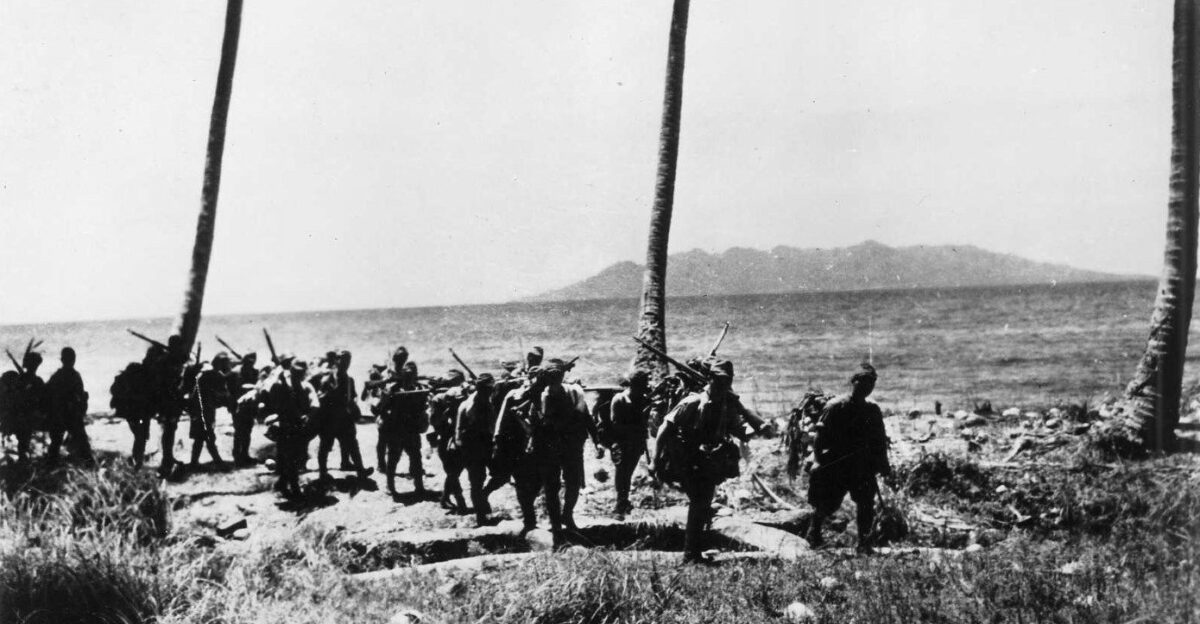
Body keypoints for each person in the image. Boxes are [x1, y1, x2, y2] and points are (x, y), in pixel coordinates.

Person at [653, 359, 761, 564]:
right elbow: (664, 428)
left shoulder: (726, 404)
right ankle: (690, 554)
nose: (723, 384)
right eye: (719, 379)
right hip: (689, 459)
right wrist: (655, 461)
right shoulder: (693, 402)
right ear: (710, 379)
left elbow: (738, 430)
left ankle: (694, 551)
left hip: (710, 461)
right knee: (699, 503)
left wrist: (757, 428)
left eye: (727, 380)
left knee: (702, 504)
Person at [805, 363, 891, 553]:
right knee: (827, 503)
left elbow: (879, 440)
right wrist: (818, 461)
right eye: (863, 381)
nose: (867, 386)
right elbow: (820, 436)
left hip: (863, 465)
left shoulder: (873, 409)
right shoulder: (835, 406)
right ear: (854, 381)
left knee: (866, 504)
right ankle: (813, 535)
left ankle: (864, 543)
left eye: (871, 383)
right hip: (837, 463)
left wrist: (884, 465)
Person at [541, 358, 600, 531]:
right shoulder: (543, 396)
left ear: (562, 376)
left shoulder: (574, 393)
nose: (555, 380)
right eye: (552, 377)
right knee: (552, 485)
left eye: (558, 376)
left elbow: (586, 417)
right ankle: (555, 522)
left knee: (574, 482)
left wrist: (597, 441)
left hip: (572, 445)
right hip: (551, 446)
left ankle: (567, 515)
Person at [312, 350, 372, 481]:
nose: (345, 363)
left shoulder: (350, 380)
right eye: (342, 360)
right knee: (325, 447)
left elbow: (352, 398)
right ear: (336, 360)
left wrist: (354, 411)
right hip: (329, 419)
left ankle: (360, 470)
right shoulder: (327, 379)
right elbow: (319, 398)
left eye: (348, 360)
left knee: (353, 445)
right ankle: (323, 473)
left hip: (344, 418)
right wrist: (330, 394)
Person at [268, 359, 320, 498]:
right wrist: (280, 386)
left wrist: (308, 416)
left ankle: (283, 482)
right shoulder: (280, 385)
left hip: (300, 427)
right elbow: (272, 402)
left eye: (300, 372)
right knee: (288, 458)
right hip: (286, 426)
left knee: (298, 457)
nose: (298, 374)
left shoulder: (306, 386)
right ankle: (294, 487)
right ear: (291, 370)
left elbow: (315, 404)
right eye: (295, 371)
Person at [375, 361, 429, 496]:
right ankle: (390, 485)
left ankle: (419, 486)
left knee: (416, 458)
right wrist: (387, 398)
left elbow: (423, 406)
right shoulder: (393, 389)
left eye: (412, 375)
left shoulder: (420, 389)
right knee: (393, 458)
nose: (409, 378)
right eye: (407, 375)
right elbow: (381, 408)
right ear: (402, 376)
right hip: (396, 428)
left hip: (412, 429)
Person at [604, 369, 652, 517]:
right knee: (622, 472)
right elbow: (615, 424)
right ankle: (620, 503)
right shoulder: (620, 399)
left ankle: (623, 501)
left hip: (636, 442)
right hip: (622, 442)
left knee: (628, 473)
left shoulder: (643, 400)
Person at [454, 373, 497, 526]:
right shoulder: (468, 406)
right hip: (472, 447)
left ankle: (484, 495)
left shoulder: (489, 401)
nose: (489, 392)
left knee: (501, 474)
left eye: (490, 389)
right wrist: (465, 451)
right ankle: (480, 516)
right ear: (480, 389)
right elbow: (459, 431)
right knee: (476, 482)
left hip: (487, 444)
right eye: (486, 389)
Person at [112, 347, 161, 467]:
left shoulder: (142, 371)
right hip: (135, 412)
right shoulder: (140, 372)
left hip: (138, 412)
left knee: (141, 436)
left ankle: (137, 460)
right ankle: (136, 461)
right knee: (141, 436)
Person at [427, 369, 469, 511]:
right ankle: (460, 501)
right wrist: (447, 412)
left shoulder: (464, 395)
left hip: (460, 436)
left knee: (455, 471)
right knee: (452, 472)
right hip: (445, 438)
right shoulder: (439, 399)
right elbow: (434, 421)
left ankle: (445, 498)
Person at [45, 347, 92, 464]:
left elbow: (47, 392)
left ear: (62, 359)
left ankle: (51, 464)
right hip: (70, 414)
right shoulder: (74, 375)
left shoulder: (57, 375)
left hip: (60, 413)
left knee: (56, 442)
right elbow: (81, 395)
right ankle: (89, 464)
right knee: (81, 441)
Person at [188, 352, 233, 468]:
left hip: (204, 409)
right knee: (208, 436)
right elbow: (220, 394)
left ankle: (194, 463)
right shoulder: (212, 375)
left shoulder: (207, 374)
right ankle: (218, 462)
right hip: (203, 410)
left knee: (200, 437)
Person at [8, 351, 47, 465]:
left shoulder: (21, 379)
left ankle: (23, 460)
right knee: (24, 441)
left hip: (22, 416)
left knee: (23, 441)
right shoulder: (36, 380)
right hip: (27, 416)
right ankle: (23, 461)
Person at [229, 352, 260, 465]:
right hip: (238, 406)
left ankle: (245, 454)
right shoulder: (235, 372)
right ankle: (237, 456)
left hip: (250, 406)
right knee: (239, 431)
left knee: (248, 431)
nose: (251, 362)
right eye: (249, 360)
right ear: (244, 359)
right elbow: (230, 390)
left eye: (253, 360)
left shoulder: (255, 372)